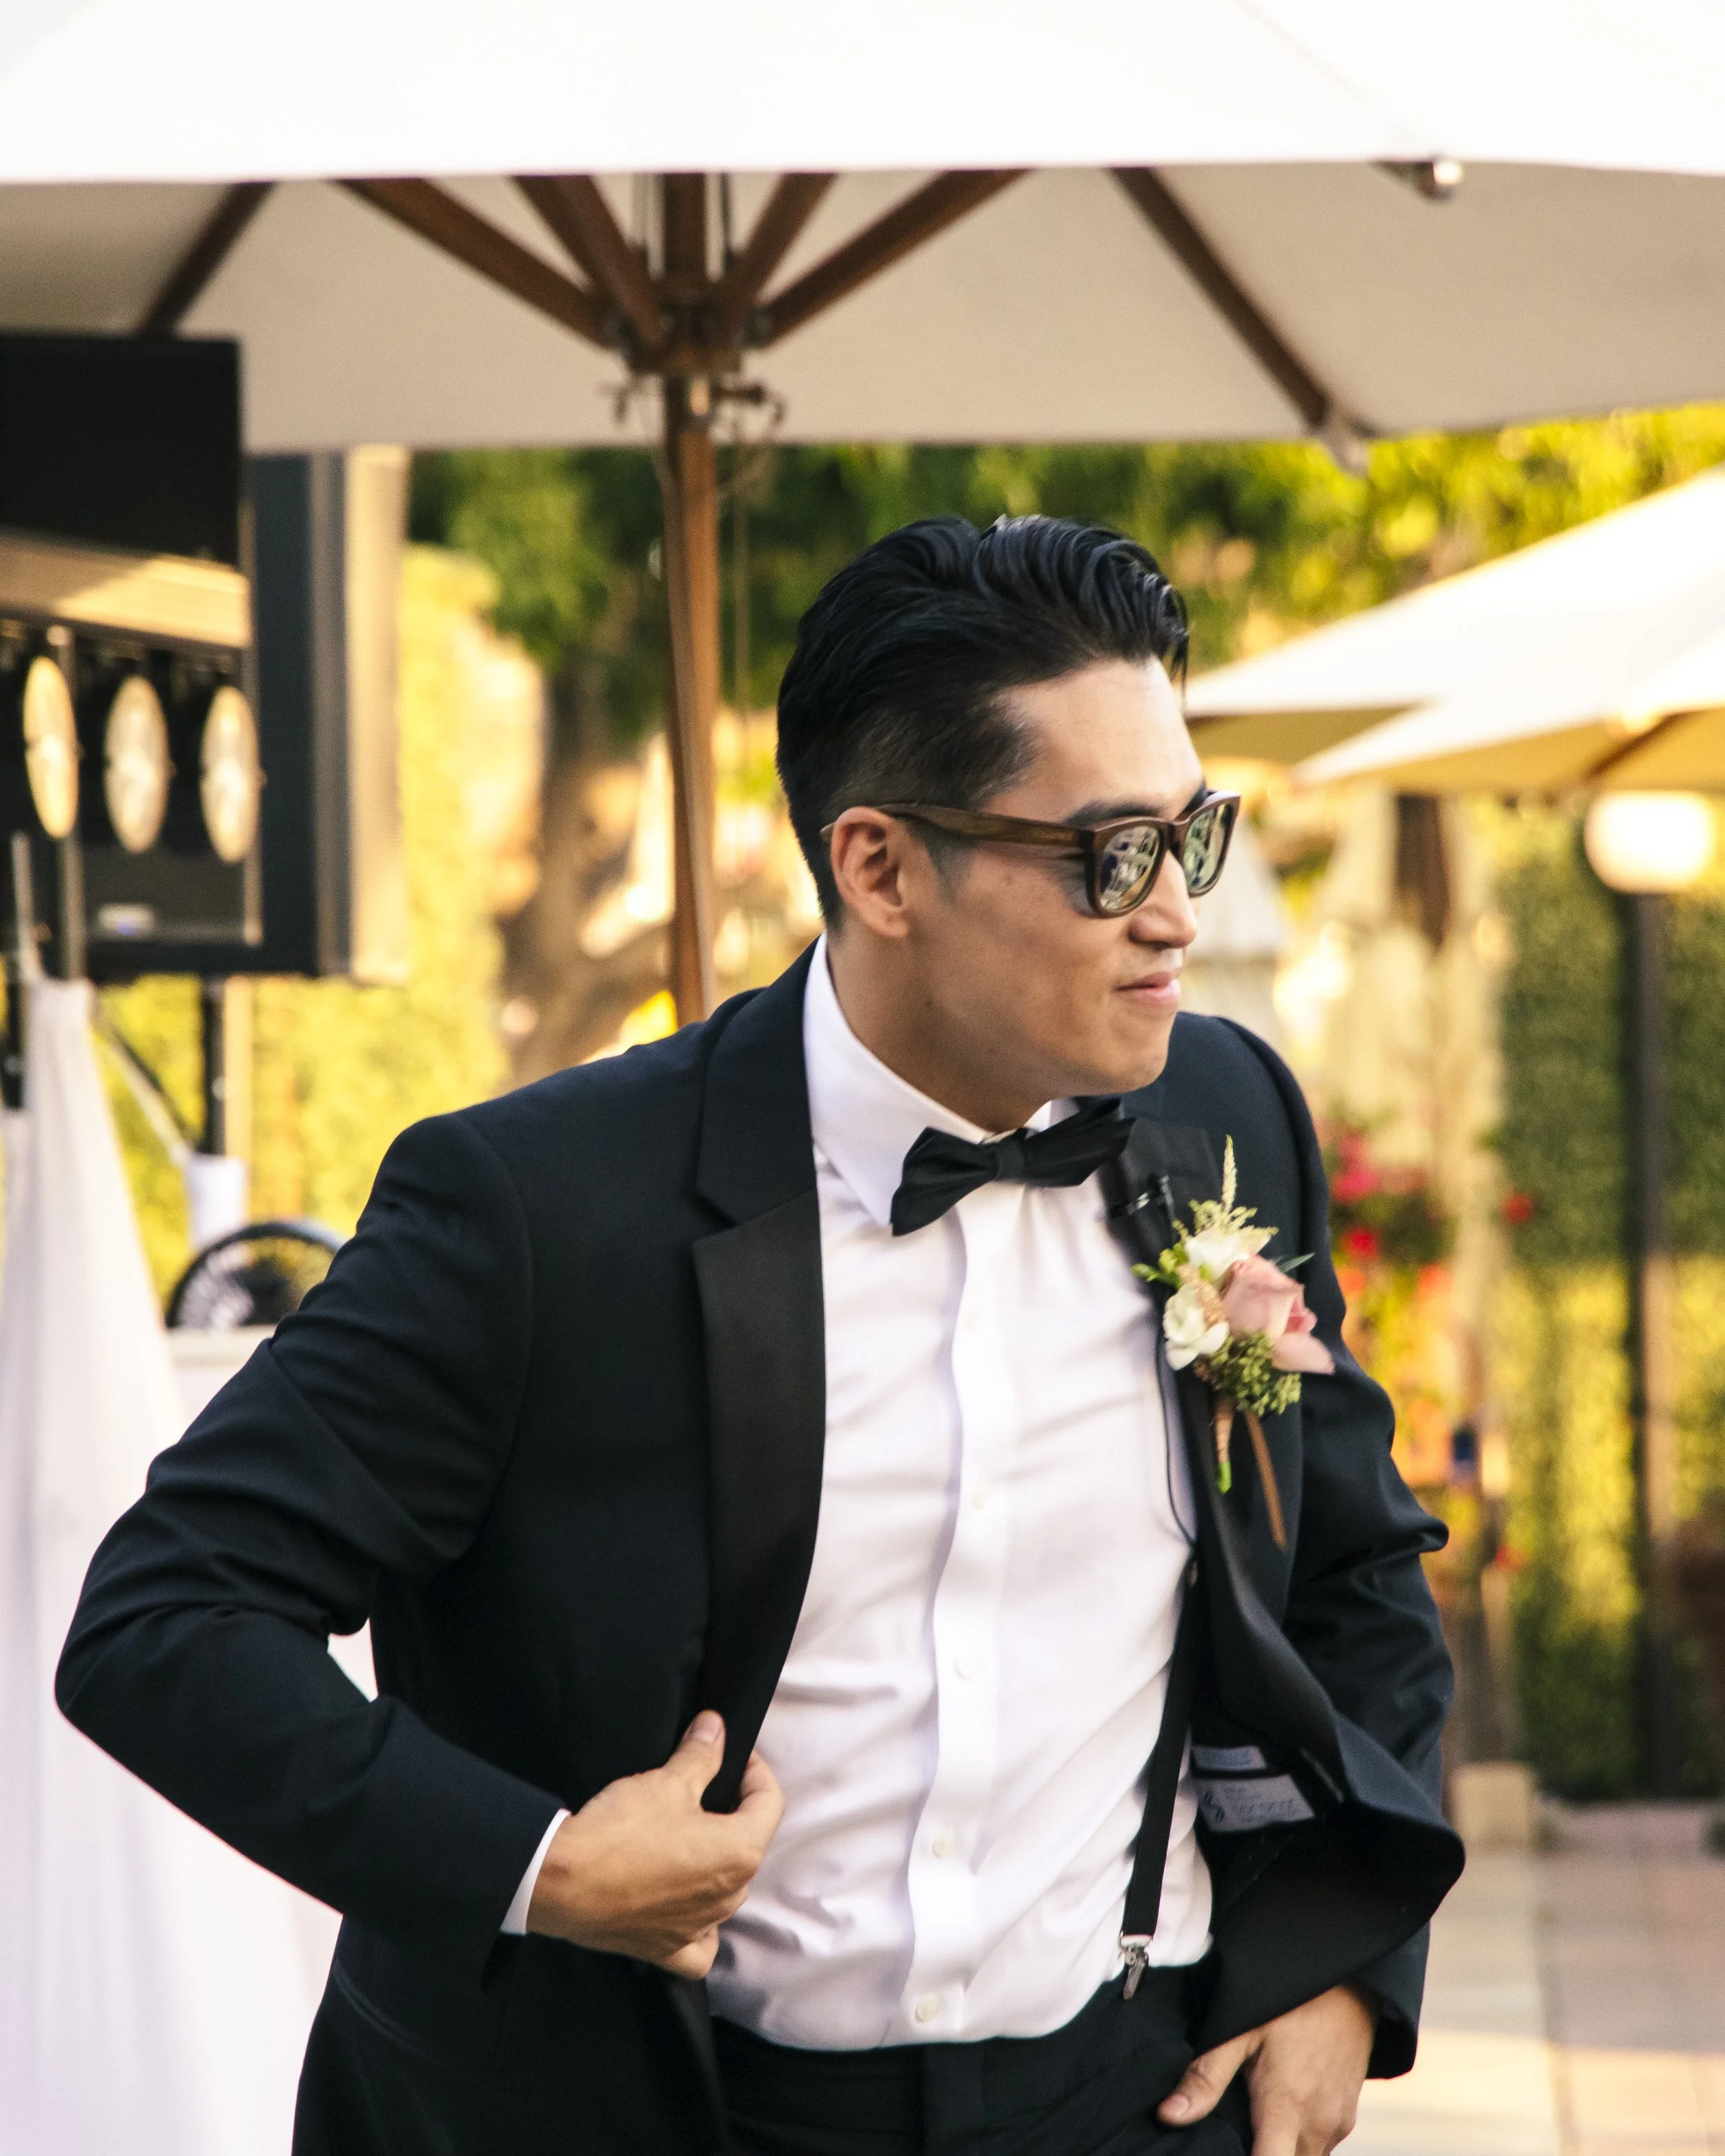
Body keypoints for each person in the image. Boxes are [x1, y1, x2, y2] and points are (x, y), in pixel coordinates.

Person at [58, 517, 1460, 2156]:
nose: (1172, 915)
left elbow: (1353, 1576)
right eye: (1108, 853)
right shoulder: (536, 1210)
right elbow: (165, 1615)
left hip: (1122, 2098)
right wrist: (539, 1864)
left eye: (1187, 833)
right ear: (877, 866)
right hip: (653, 2110)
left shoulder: (1226, 1114)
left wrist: (1345, 1968)